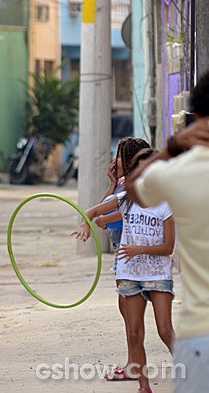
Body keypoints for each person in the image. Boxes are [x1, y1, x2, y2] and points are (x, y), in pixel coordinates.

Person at [126, 72, 209, 393]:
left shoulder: (175, 173)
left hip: (199, 334)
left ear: (195, 117)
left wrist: (172, 147)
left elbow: (132, 190)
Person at [74, 147, 175, 393]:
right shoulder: (126, 200)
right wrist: (88, 226)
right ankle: (144, 387)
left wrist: (138, 249)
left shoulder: (166, 205)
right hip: (130, 275)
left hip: (158, 275)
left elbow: (168, 247)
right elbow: (93, 212)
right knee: (134, 332)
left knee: (164, 330)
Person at [100, 138, 151, 381]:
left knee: (130, 311)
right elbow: (103, 207)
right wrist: (111, 184)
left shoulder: (133, 186)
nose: (114, 160)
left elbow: (113, 214)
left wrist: (101, 218)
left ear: (129, 160)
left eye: (118, 155)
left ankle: (135, 365)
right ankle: (133, 362)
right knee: (125, 309)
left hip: (129, 253)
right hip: (121, 252)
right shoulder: (120, 184)